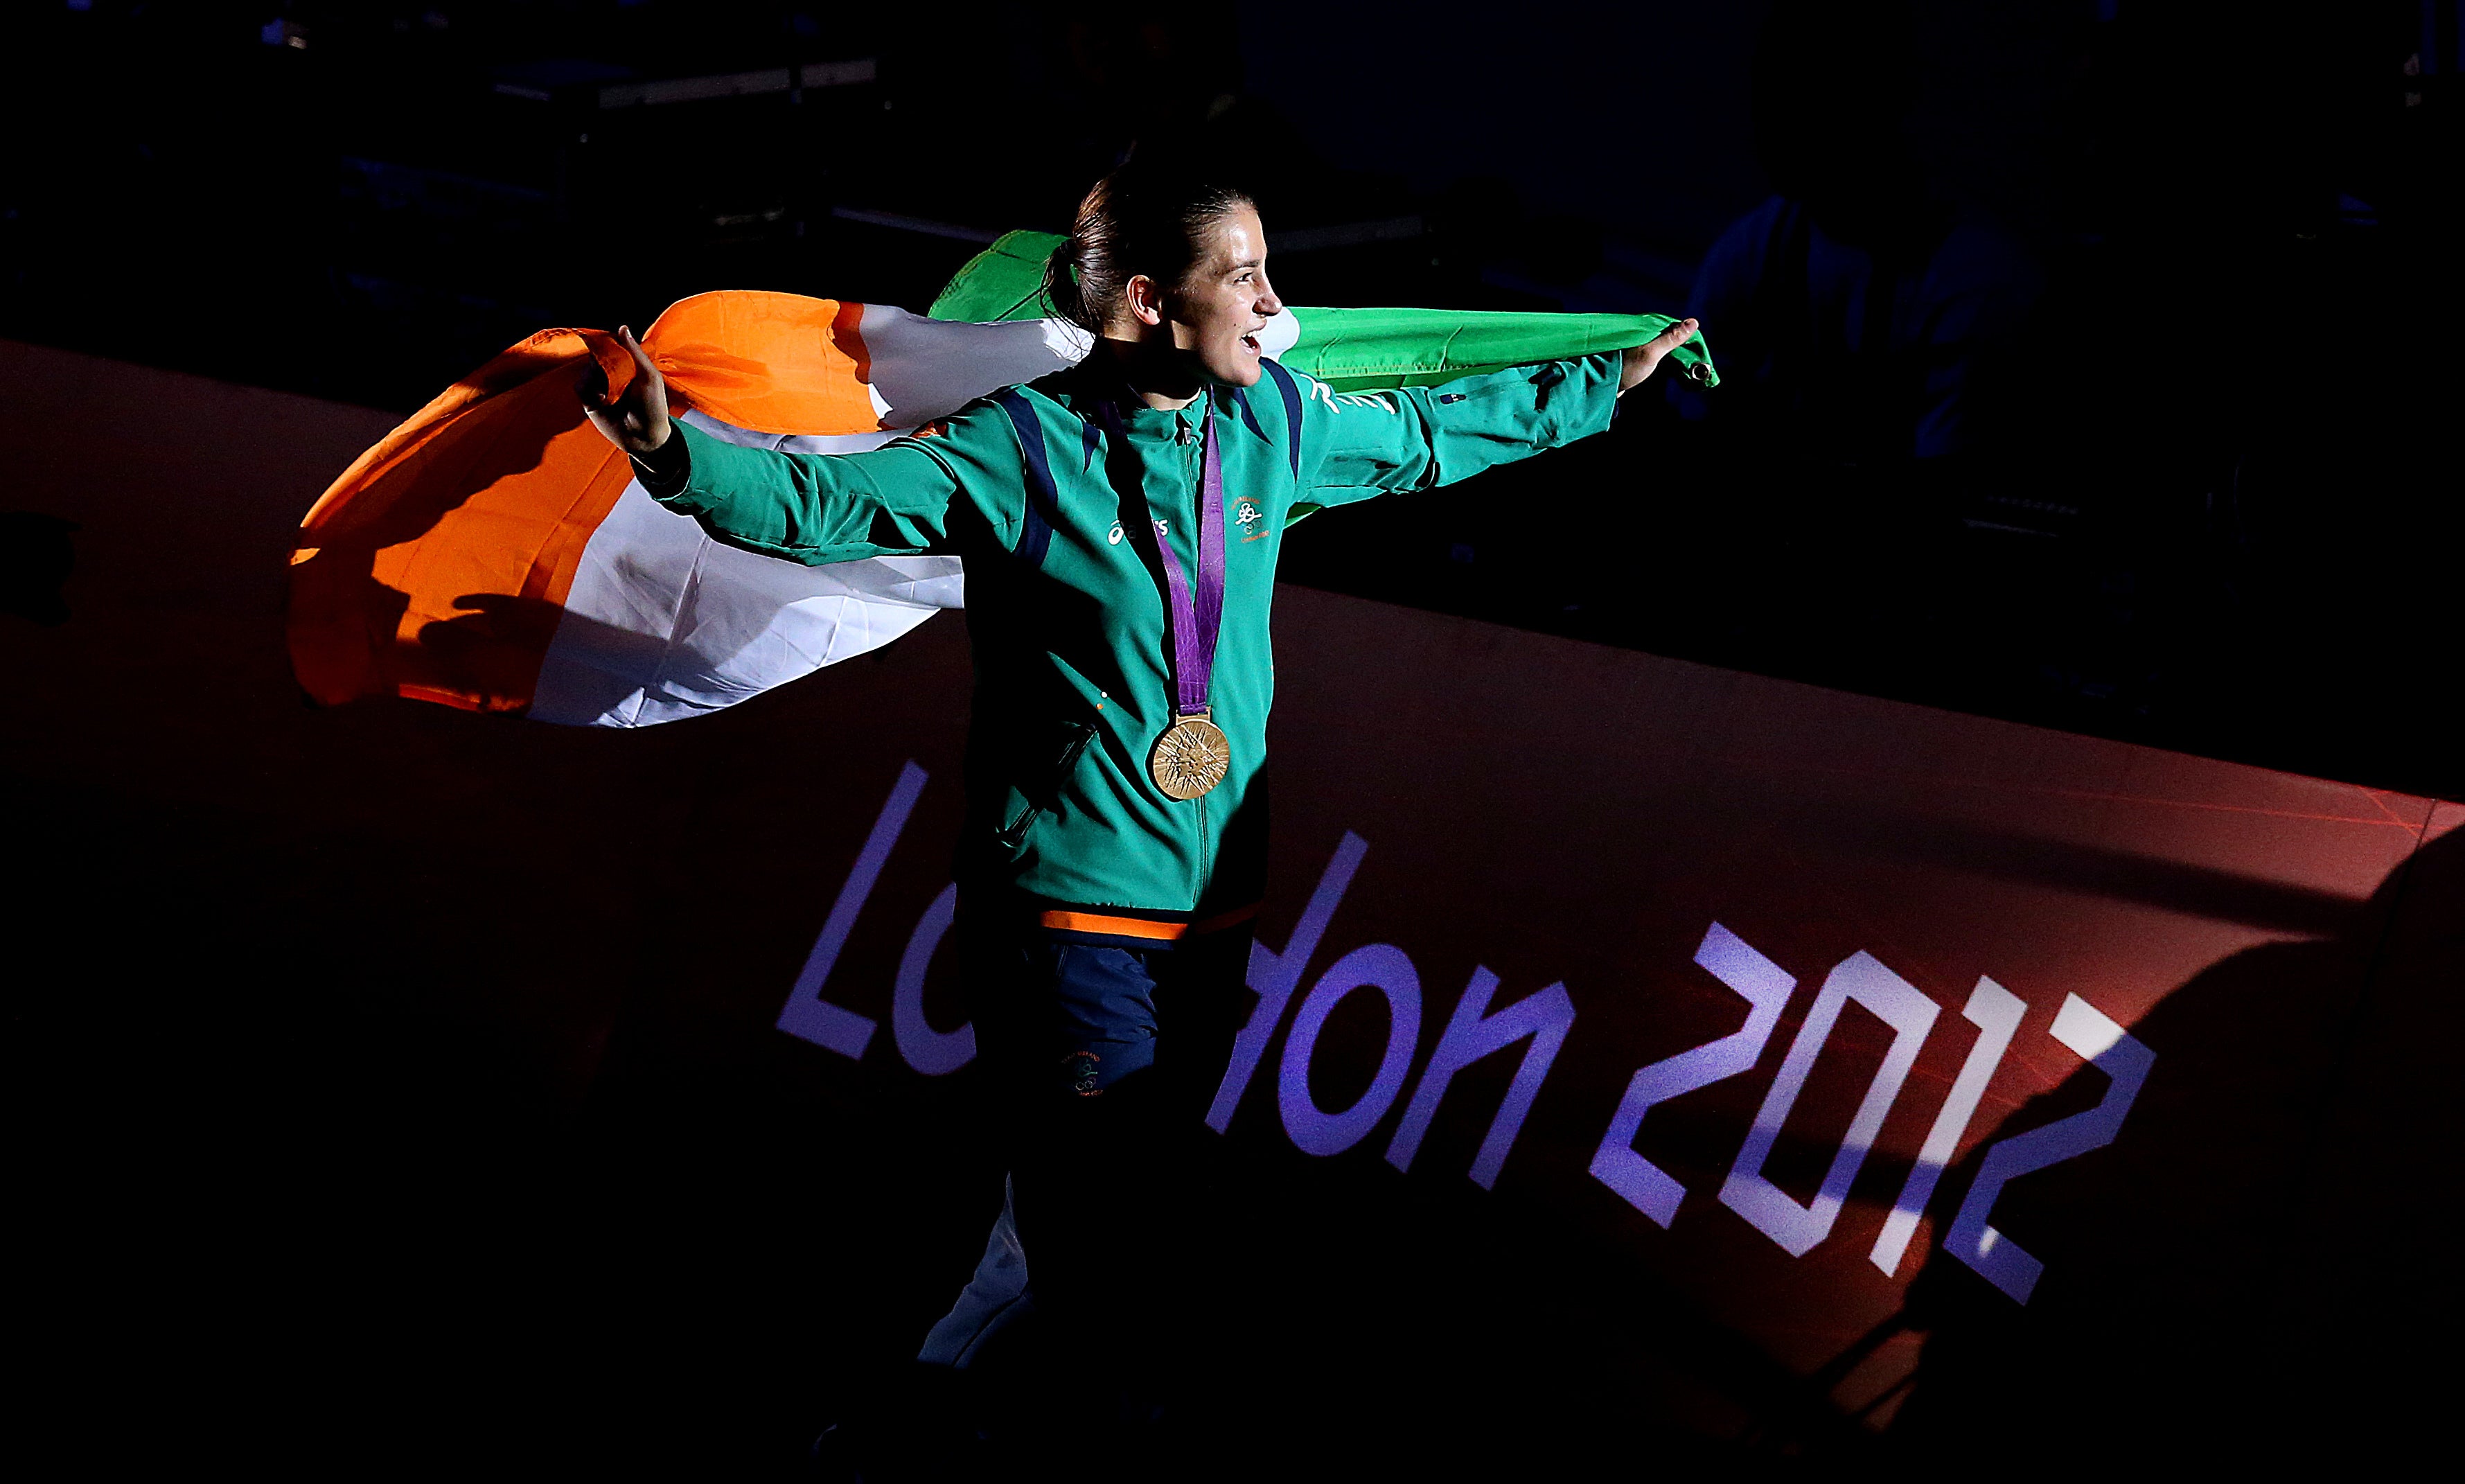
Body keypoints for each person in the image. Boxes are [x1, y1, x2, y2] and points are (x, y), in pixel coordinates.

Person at [580, 159, 1697, 1464]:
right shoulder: (1021, 447)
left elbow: (1428, 434)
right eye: (1246, 276)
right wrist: (674, 455)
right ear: (1156, 303)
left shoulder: (1271, 423)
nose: (1277, 305)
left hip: (1212, 904)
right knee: (1107, 1224)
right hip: (1063, 910)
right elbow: (827, 505)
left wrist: (1599, 382)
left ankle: (913, 1422)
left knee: (1082, 1213)